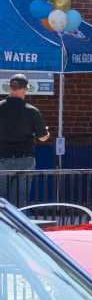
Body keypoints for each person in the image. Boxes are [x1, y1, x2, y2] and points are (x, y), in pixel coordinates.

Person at [0, 74, 51, 204]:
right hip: (25, 160)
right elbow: (43, 137)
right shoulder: (32, 111)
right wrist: (47, 132)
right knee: (20, 199)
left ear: (10, 88)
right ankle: (17, 224)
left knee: (1, 199)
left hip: (2, 158)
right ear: (24, 89)